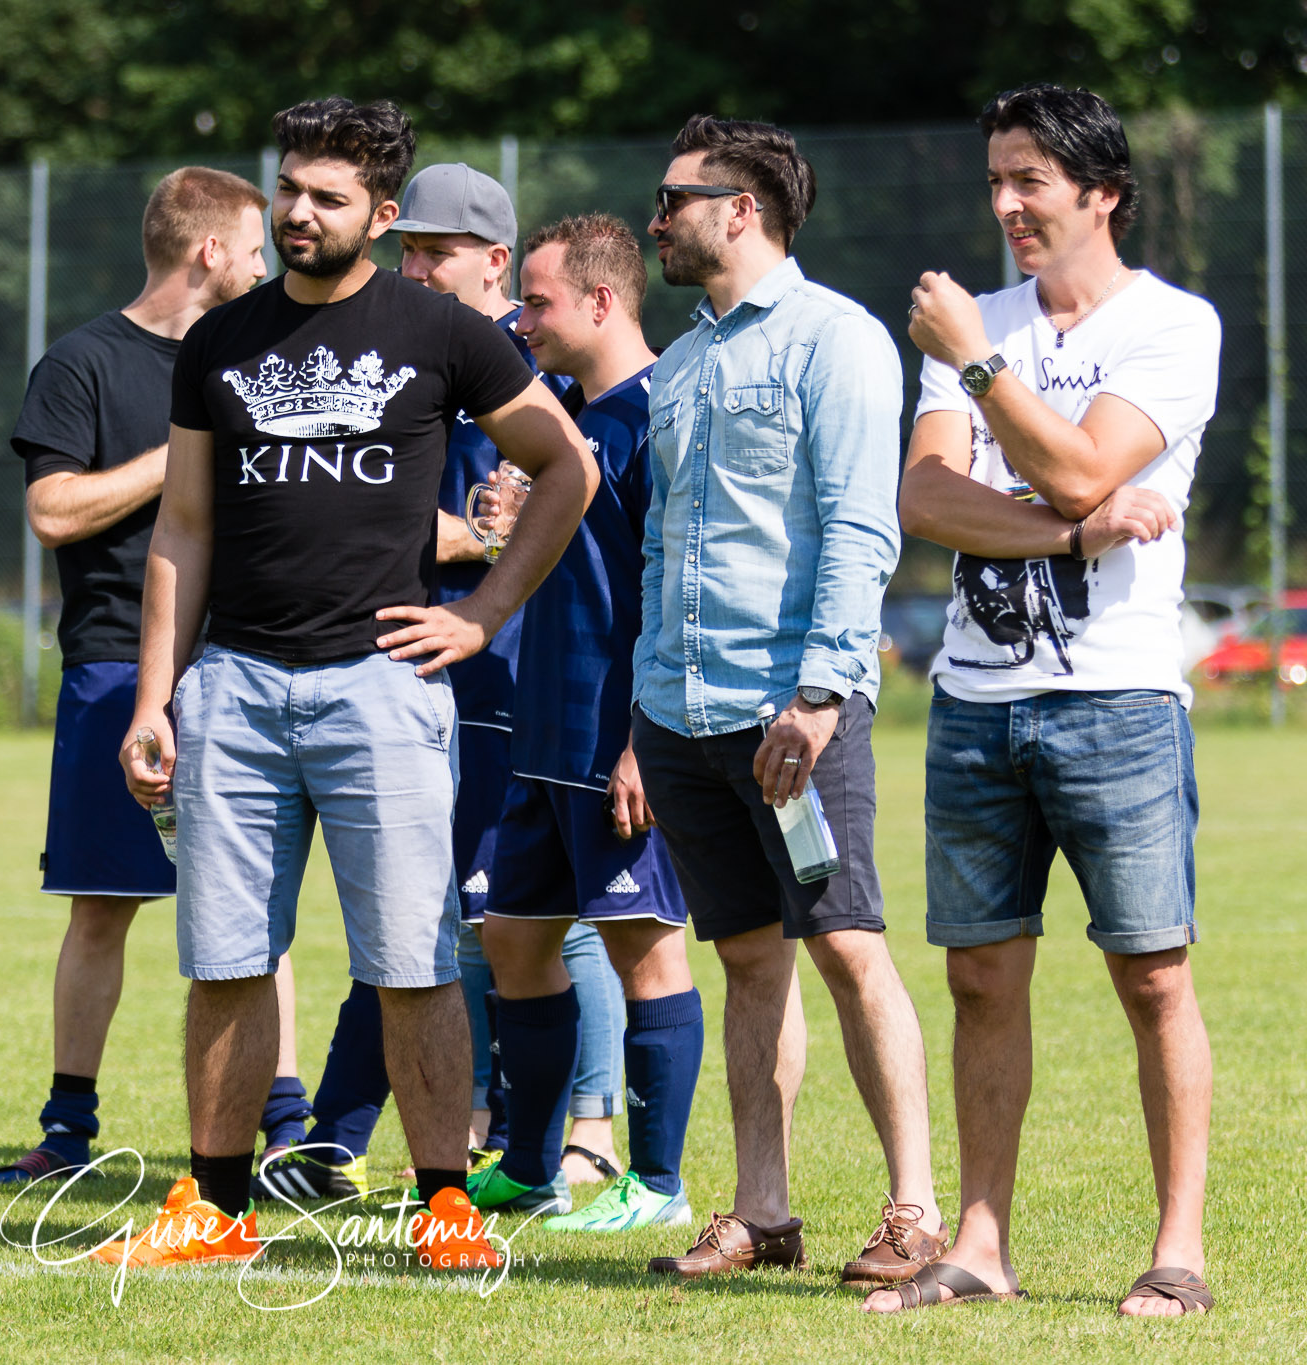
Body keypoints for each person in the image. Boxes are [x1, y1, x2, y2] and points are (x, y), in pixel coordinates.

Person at [95, 97, 597, 1271]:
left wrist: (481, 615)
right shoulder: (219, 340)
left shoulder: (443, 331)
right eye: (289, 190)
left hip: (381, 690)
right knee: (223, 956)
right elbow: (180, 527)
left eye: (327, 197)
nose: (299, 213)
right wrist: (153, 696)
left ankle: (444, 1214)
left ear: (379, 214)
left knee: (412, 962)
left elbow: (560, 469)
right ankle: (213, 1210)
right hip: (235, 692)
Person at [865, 84, 1220, 1318]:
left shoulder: (1171, 328)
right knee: (977, 982)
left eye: (1030, 182)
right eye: (995, 181)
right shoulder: (978, 316)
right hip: (971, 702)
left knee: (1151, 978)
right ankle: (979, 1246)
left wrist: (978, 362)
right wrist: (1070, 535)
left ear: (1100, 194)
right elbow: (926, 502)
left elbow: (1076, 459)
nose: (1005, 205)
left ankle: (1174, 1252)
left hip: (1116, 701)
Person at [259, 164, 633, 1208]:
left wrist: (462, 543)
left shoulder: (534, 363)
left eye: (436, 251)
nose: (413, 267)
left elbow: (562, 502)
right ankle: (359, 1141)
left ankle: (574, 1141)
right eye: (406, 247)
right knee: (432, 919)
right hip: (418, 677)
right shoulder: (379, 354)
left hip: (527, 678)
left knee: (546, 920)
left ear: (496, 263)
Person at [629, 116, 945, 1286]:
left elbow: (861, 528)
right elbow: (664, 546)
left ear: (739, 208)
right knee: (747, 961)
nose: (654, 219)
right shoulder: (682, 362)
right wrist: (642, 704)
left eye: (671, 199)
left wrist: (816, 696)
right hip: (680, 715)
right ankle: (759, 1212)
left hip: (792, 715)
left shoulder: (835, 341)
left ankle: (913, 1209)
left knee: (848, 947)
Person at [0, 166, 317, 1184]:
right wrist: (181, 459)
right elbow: (50, 513)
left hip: (244, 664)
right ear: (207, 253)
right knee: (101, 906)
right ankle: (66, 1129)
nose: (267, 267)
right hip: (110, 666)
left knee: (253, 906)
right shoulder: (82, 363)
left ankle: (288, 1123)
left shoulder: (263, 356)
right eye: (255, 248)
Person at [455, 213, 705, 1235]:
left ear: (603, 301)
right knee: (513, 939)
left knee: (645, 949)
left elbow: (679, 592)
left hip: (617, 744)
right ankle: (527, 1167)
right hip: (540, 737)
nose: (525, 318)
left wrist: (646, 742)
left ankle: (654, 1181)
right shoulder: (553, 412)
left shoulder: (659, 418)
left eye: (542, 302)